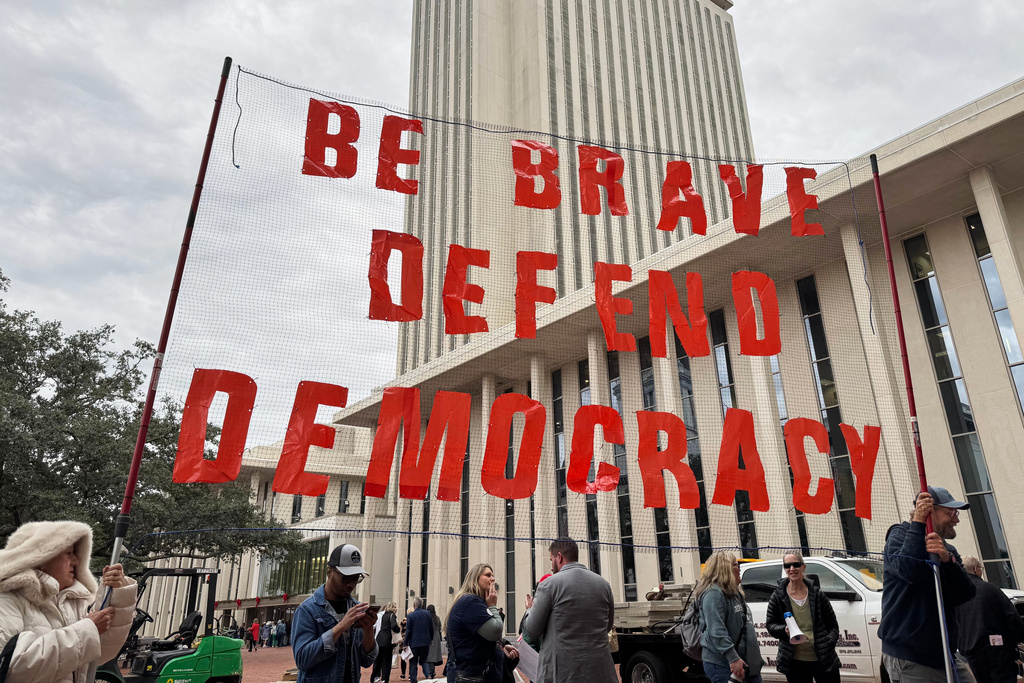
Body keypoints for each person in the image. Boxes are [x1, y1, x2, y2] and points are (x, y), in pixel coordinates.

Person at [0, 520, 136, 683]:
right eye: (68, 553)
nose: (76, 561)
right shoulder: (7, 598)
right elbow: (11, 667)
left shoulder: (72, 601)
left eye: (76, 554)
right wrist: (87, 629)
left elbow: (102, 652)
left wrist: (115, 592)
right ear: (43, 556)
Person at [881, 488, 977, 683]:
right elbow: (910, 570)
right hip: (911, 656)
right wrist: (918, 523)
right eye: (950, 513)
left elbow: (965, 593)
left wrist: (947, 561)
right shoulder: (899, 535)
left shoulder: (947, 549)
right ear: (929, 511)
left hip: (944, 653)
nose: (956, 519)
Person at [523, 538, 616, 683]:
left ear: (559, 557)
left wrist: (530, 610)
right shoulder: (603, 585)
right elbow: (607, 626)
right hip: (599, 672)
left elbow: (532, 631)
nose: (552, 567)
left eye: (551, 560)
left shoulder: (548, 585)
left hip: (562, 674)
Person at [292, 542, 378, 683]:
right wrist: (339, 628)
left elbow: (366, 661)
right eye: (346, 577)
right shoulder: (307, 610)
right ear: (329, 572)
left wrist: (368, 631)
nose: (351, 584)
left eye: (356, 578)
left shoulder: (356, 608)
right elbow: (302, 659)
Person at [765, 550, 841, 683]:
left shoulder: (817, 595)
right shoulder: (777, 596)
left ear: (803, 567)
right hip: (795, 662)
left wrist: (828, 644)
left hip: (823, 660)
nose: (792, 569)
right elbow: (771, 625)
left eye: (796, 564)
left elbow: (833, 625)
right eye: (787, 566)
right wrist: (784, 630)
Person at [696, 551, 763, 683]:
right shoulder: (714, 593)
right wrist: (733, 658)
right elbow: (716, 630)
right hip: (724, 664)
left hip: (745, 663)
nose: (739, 569)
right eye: (736, 565)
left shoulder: (735, 593)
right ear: (724, 569)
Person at [446, 563, 518, 683]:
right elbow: (495, 631)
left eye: (493, 575)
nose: (493, 579)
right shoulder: (470, 601)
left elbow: (481, 634)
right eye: (488, 575)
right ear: (475, 578)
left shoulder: (475, 603)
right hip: (470, 676)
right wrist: (493, 606)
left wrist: (501, 645)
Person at [957, 556, 1024, 683]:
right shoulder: (991, 589)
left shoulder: (956, 595)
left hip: (970, 653)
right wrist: (1018, 637)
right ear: (976, 569)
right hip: (997, 650)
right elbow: (1011, 617)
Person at [405, 598, 434, 683]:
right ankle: (428, 676)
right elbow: (431, 628)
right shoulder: (428, 614)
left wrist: (405, 644)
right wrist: (431, 639)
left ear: (414, 605)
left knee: (413, 663)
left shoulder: (411, 616)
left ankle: (413, 680)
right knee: (424, 660)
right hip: (425, 642)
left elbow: (408, 631)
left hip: (414, 642)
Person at [372, 602, 401, 683]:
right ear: (392, 608)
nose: (396, 609)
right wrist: (398, 629)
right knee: (387, 661)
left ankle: (374, 677)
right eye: (395, 607)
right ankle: (385, 678)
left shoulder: (383, 615)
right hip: (387, 641)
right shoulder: (392, 615)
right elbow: (393, 626)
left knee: (378, 660)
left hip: (379, 639)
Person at [426, 604, 443, 678]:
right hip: (436, 638)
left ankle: (430, 672)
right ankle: (432, 671)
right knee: (434, 656)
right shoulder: (437, 618)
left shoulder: (427, 618)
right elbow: (439, 628)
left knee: (430, 656)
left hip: (429, 638)